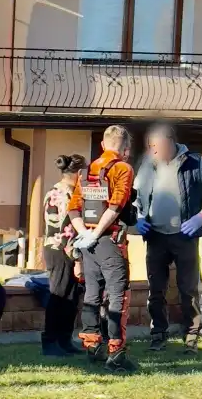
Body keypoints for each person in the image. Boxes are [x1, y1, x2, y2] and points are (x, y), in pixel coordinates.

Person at [135, 122, 202, 352]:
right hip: (155, 236)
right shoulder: (147, 165)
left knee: (188, 290)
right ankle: (158, 336)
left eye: (157, 145)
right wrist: (138, 218)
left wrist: (201, 217)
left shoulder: (194, 163)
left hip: (185, 235)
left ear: (170, 141)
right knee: (156, 290)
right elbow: (136, 198)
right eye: (151, 146)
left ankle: (191, 339)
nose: (154, 150)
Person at [68, 125, 137, 371]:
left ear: (102, 145)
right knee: (119, 296)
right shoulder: (122, 168)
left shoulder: (87, 170)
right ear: (125, 148)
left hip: (88, 244)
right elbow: (117, 205)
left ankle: (92, 345)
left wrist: (85, 234)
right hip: (110, 241)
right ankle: (116, 352)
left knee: (91, 295)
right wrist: (97, 233)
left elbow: (74, 208)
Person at [41, 154, 87, 356]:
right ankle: (51, 341)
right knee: (59, 296)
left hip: (62, 248)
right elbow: (66, 230)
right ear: (78, 173)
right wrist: (77, 259)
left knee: (71, 295)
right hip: (60, 250)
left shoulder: (59, 191)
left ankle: (64, 340)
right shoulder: (64, 195)